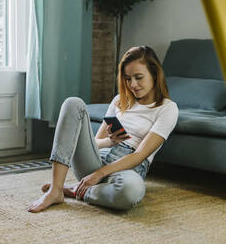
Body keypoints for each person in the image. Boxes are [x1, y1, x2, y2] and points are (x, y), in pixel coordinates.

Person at [28, 46, 179, 213]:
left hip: (128, 169)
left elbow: (139, 155)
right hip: (96, 159)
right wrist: (110, 141)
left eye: (139, 77)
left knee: (131, 192)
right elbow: (95, 143)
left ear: (155, 74)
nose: (133, 84)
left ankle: (76, 190)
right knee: (73, 103)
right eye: (128, 79)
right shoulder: (118, 101)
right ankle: (55, 190)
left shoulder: (168, 108)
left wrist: (99, 174)